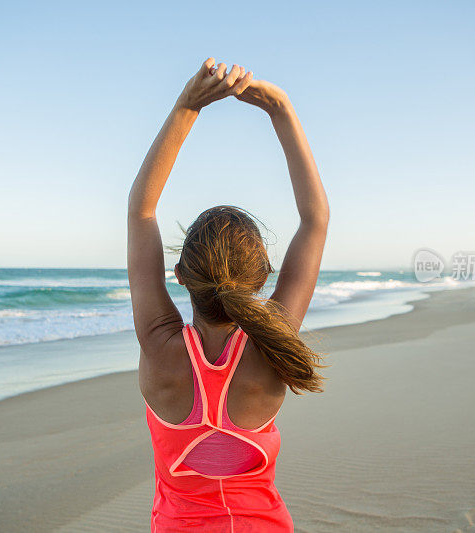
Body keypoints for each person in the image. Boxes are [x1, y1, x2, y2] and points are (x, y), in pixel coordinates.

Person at [127, 57, 329, 532]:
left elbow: (141, 212)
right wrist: (281, 109)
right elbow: (315, 219)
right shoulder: (269, 348)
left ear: (179, 274)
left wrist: (186, 107)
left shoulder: (160, 350)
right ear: (263, 279)